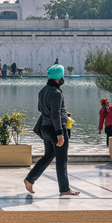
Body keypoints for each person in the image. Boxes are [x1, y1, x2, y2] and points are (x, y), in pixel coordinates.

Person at [24, 64, 80, 196]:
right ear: (59, 78)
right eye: (62, 75)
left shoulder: (43, 90)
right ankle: (65, 188)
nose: (64, 78)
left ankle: (30, 179)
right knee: (61, 159)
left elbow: (40, 109)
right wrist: (60, 134)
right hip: (55, 130)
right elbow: (55, 114)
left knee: (48, 156)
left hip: (45, 128)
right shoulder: (56, 93)